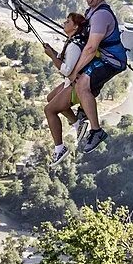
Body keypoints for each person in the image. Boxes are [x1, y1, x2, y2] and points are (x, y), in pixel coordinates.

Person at [67, 0, 128, 154]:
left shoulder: (100, 15)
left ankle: (96, 131)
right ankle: (84, 110)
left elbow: (92, 47)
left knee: (82, 84)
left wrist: (74, 70)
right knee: (82, 83)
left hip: (111, 60)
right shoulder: (91, 12)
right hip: (104, 57)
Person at [42, 12, 87, 165]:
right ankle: (76, 124)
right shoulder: (72, 41)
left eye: (68, 21)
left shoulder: (74, 45)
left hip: (75, 83)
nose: (64, 22)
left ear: (75, 26)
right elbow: (64, 61)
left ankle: (59, 148)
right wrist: (52, 53)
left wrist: (53, 57)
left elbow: (67, 70)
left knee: (49, 109)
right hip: (72, 81)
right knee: (50, 99)